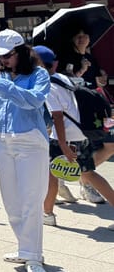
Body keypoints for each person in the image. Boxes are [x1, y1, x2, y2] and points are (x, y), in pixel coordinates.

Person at [0, 30, 50, 272]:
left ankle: (34, 255)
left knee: (31, 202)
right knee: (12, 202)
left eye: (7, 56)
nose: (2, 61)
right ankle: (24, 248)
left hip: (31, 141)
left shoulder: (39, 74)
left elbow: (35, 101)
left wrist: (2, 85)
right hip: (4, 141)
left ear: (22, 52)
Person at [36, 45, 114, 228]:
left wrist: (62, 144)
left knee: (52, 174)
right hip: (81, 132)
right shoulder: (62, 78)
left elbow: (57, 117)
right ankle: (47, 212)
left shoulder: (47, 85)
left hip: (65, 136)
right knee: (88, 172)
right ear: (54, 64)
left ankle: (47, 213)